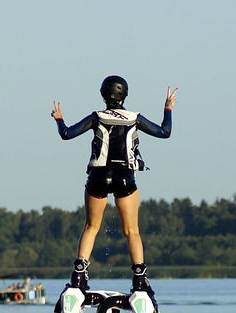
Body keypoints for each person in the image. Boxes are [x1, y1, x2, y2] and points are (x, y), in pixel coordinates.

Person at [51, 75, 178, 295]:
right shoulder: (134, 117)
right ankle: (139, 279)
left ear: (102, 94)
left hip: (98, 177)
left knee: (91, 227)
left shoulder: (96, 117)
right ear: (124, 95)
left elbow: (66, 134)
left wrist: (59, 118)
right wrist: (167, 109)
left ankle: (79, 275)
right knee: (132, 231)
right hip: (124, 178)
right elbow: (164, 132)